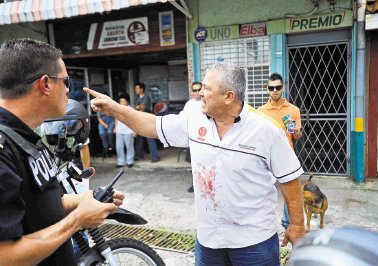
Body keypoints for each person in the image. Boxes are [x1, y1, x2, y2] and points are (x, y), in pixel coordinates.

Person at [84, 62, 305, 265]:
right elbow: (151, 124)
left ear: (229, 96)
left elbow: (289, 179)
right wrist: (115, 109)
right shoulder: (194, 120)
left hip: (254, 243)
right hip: (209, 240)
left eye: (207, 89)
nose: (200, 93)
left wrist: (296, 225)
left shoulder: (266, 129)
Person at [0, 38, 124, 266]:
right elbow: (5, 256)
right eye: (66, 81)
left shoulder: (27, 135)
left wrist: (86, 200)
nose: (69, 90)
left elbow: (41, 202)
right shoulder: (3, 149)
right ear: (45, 84)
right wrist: (77, 220)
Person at [258, 72, 302, 231]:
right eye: (271, 87)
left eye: (277, 87)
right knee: (262, 191)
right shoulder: (261, 111)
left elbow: (297, 135)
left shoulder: (293, 110)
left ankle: (287, 224)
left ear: (283, 88)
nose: (274, 90)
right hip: (265, 157)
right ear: (267, 89)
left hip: (286, 156)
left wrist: (295, 130)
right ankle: (263, 224)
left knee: (288, 193)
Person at [183, 81, 203, 193]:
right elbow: (183, 119)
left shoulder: (206, 102)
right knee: (193, 163)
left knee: (203, 163)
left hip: (204, 139)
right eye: (194, 90)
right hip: (191, 138)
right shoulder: (189, 104)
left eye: (198, 89)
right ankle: (194, 184)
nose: (197, 92)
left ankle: (203, 186)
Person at [134, 82, 160, 163]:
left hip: (147, 120)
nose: (136, 90)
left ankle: (155, 157)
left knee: (150, 139)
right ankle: (139, 155)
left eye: (137, 88)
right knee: (139, 138)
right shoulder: (137, 98)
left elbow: (142, 107)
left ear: (141, 89)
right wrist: (137, 107)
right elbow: (136, 107)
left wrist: (137, 107)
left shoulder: (146, 97)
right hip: (140, 120)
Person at [114, 93, 136, 168]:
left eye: (123, 101)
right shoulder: (118, 108)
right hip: (119, 131)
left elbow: (134, 121)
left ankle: (130, 161)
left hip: (128, 131)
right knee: (119, 147)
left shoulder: (131, 109)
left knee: (129, 146)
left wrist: (134, 131)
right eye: (121, 101)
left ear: (127, 101)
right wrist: (115, 127)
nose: (122, 103)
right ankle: (121, 162)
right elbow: (116, 118)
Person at [97, 92, 115, 157]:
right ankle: (106, 148)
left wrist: (108, 112)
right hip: (102, 122)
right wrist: (104, 125)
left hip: (111, 121)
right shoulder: (99, 106)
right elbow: (99, 118)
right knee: (102, 133)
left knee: (110, 132)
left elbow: (112, 114)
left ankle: (111, 145)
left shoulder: (111, 105)